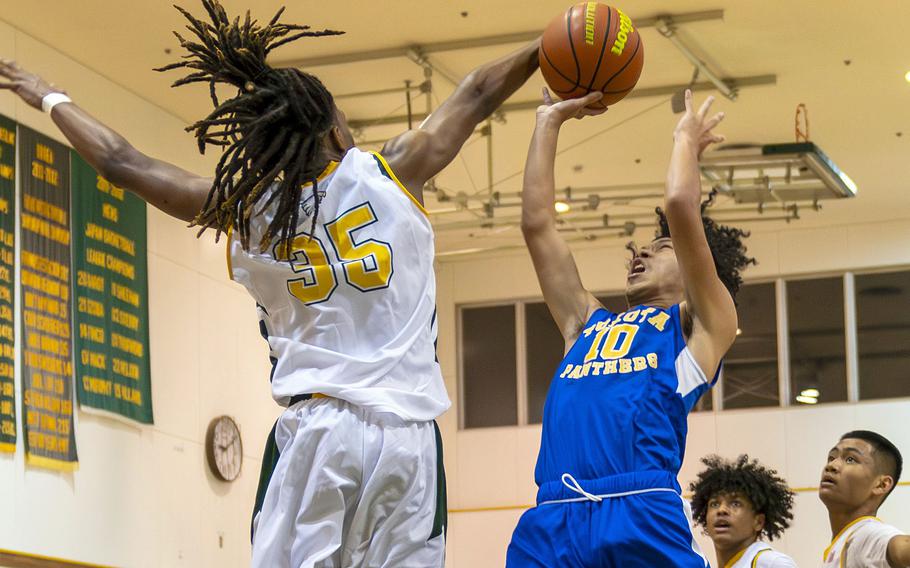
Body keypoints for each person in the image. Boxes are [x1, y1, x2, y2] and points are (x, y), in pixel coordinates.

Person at [0, 1, 542, 565]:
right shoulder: (391, 172)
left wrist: (48, 95)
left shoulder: (250, 214)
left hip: (318, 432)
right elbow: (478, 92)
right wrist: (547, 47)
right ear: (334, 126)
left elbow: (122, 163)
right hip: (409, 437)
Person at [506, 88, 754, 567]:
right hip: (554, 513)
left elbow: (681, 203)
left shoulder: (699, 325)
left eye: (660, 248)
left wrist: (684, 139)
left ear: (691, 264)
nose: (640, 253)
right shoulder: (586, 324)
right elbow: (537, 224)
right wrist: (547, 121)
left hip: (640, 507)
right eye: (639, 249)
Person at [821, 430, 910, 567]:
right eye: (832, 458)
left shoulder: (866, 535)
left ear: (881, 485)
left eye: (850, 459)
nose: (831, 466)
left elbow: (902, 548)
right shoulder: (844, 541)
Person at [689, 455, 797, 567]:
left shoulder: (772, 562)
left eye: (735, 503)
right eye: (715, 504)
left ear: (758, 522)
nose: (721, 510)